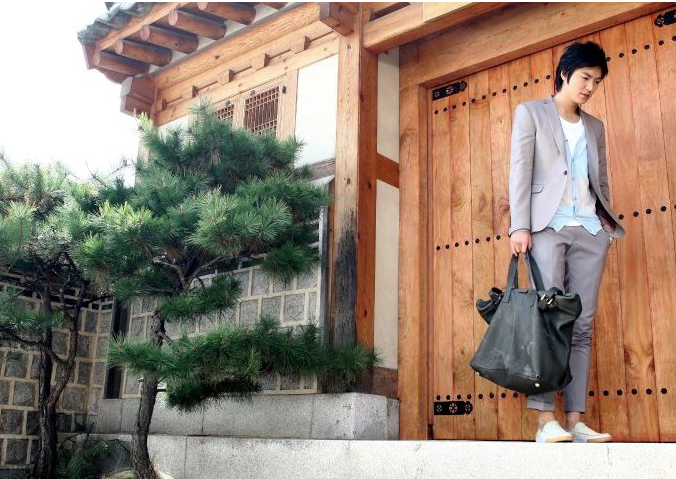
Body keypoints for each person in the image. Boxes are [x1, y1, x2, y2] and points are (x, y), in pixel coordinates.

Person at [508, 41, 625, 443]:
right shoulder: (531, 113)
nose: (590, 87)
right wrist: (518, 227)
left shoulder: (595, 127)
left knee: (582, 326)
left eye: (596, 81)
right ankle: (545, 422)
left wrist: (606, 226)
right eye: (585, 78)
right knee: (547, 320)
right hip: (547, 228)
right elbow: (520, 172)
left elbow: (601, 180)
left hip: (591, 230)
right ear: (564, 74)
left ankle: (575, 420)